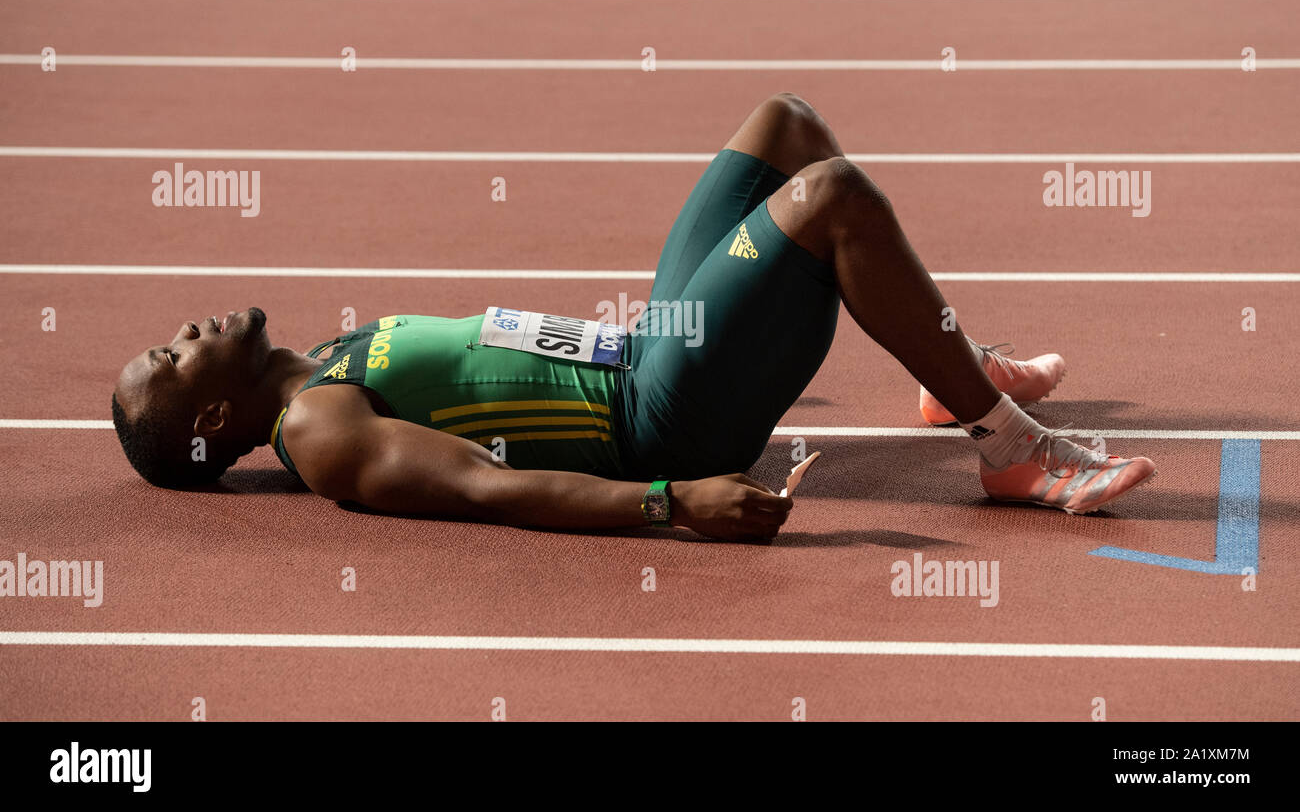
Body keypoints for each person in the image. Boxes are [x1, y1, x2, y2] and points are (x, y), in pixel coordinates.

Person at [112, 93, 1155, 542]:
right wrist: (672, 503)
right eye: (172, 356)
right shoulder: (318, 431)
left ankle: (946, 364)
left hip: (649, 350)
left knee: (781, 125)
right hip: (660, 414)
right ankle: (1009, 448)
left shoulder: (330, 359)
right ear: (208, 423)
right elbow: (486, 487)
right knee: (830, 193)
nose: (187, 328)